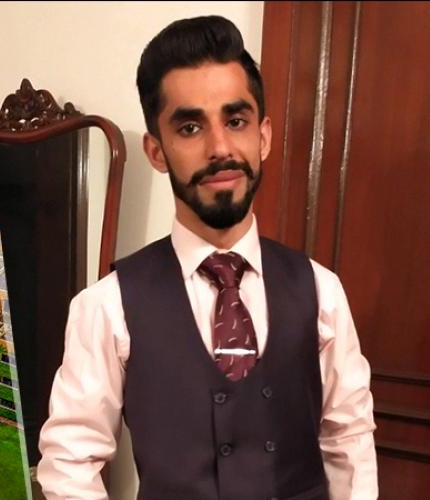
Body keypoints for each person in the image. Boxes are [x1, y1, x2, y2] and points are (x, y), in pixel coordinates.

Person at [35, 16, 377, 500]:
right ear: (157, 150)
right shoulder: (105, 307)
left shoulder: (322, 292)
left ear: (263, 138)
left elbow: (349, 441)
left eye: (235, 121)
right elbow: (69, 463)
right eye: (190, 126)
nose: (220, 148)